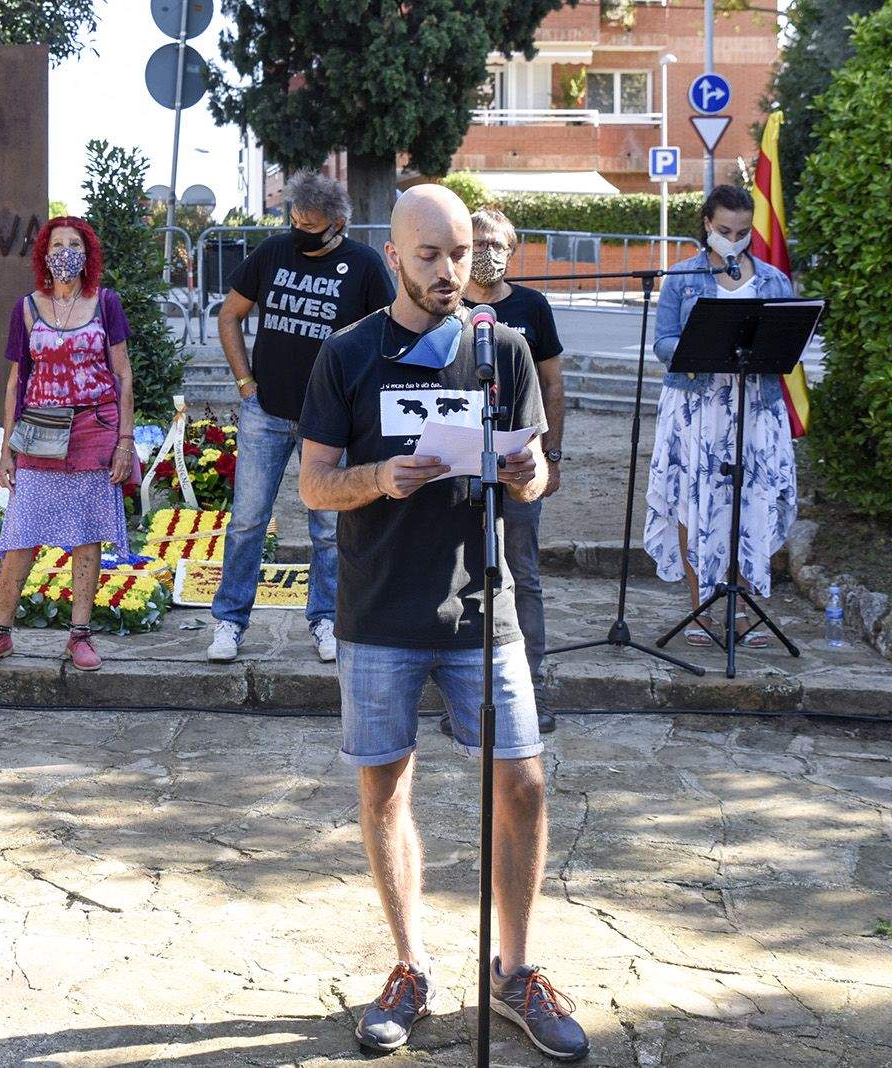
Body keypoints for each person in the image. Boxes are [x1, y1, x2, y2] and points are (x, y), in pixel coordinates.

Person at [298, 185, 588, 1061]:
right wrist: (378, 478)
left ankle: (517, 973)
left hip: (481, 607)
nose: (449, 271)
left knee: (525, 783)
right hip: (380, 609)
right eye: (430, 255)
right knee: (385, 787)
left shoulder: (504, 350)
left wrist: (528, 470)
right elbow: (314, 484)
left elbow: (536, 481)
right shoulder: (347, 355)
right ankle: (411, 967)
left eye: (460, 253)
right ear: (394, 256)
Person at [207, 171, 394, 664]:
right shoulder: (271, 253)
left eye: (309, 225)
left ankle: (327, 619)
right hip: (266, 412)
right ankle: (229, 621)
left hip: (331, 423)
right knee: (247, 520)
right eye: (293, 220)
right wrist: (245, 383)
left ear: (338, 224)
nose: (298, 230)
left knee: (329, 528)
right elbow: (229, 315)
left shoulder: (365, 266)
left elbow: (387, 338)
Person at [0, 216, 136, 673]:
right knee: (21, 535)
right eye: (56, 244)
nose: (64, 252)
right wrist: (6, 450)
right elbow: (16, 379)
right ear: (43, 253)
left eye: (73, 244)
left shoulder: (106, 304)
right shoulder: (26, 307)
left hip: (94, 430)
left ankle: (79, 636)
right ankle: (0, 633)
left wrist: (125, 440)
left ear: (88, 254)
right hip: (39, 431)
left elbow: (122, 374)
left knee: (86, 536)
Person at [645, 184, 797, 649]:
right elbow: (663, 342)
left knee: (751, 501)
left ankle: (746, 607)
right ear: (707, 224)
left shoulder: (773, 281)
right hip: (698, 407)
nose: (734, 238)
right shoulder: (682, 277)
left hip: (755, 406)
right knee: (696, 500)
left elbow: (788, 340)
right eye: (724, 229)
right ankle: (702, 611)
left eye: (743, 231)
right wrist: (697, 351)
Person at [440, 207, 564, 737]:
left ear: (512, 251)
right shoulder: (446, 304)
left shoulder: (533, 307)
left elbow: (553, 385)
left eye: (499, 244)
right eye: (479, 242)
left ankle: (527, 686)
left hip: (517, 460)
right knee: (457, 575)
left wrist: (550, 457)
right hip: (456, 463)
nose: (489, 253)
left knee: (522, 572)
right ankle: (461, 692)